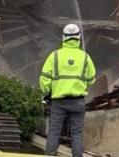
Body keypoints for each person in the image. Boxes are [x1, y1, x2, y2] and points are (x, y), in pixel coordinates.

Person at [40, 23, 96, 157]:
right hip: (78, 102)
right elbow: (92, 79)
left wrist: (47, 93)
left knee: (54, 132)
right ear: (78, 38)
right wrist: (82, 86)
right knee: (76, 133)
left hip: (58, 102)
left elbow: (44, 79)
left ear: (64, 38)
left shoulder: (54, 56)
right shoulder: (85, 57)